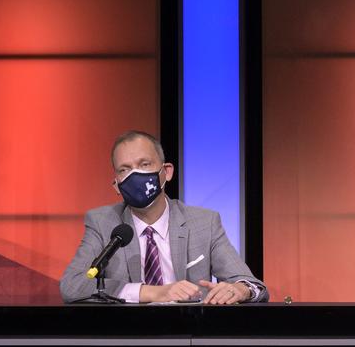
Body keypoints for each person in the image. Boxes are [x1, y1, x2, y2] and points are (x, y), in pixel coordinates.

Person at [60, 130, 267, 304]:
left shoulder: (204, 223)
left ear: (166, 172)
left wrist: (240, 290)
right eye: (125, 169)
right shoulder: (103, 223)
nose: (135, 175)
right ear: (116, 184)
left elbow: (253, 285)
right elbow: (72, 285)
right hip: (128, 340)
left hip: (189, 339)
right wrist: (153, 292)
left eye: (144, 164)